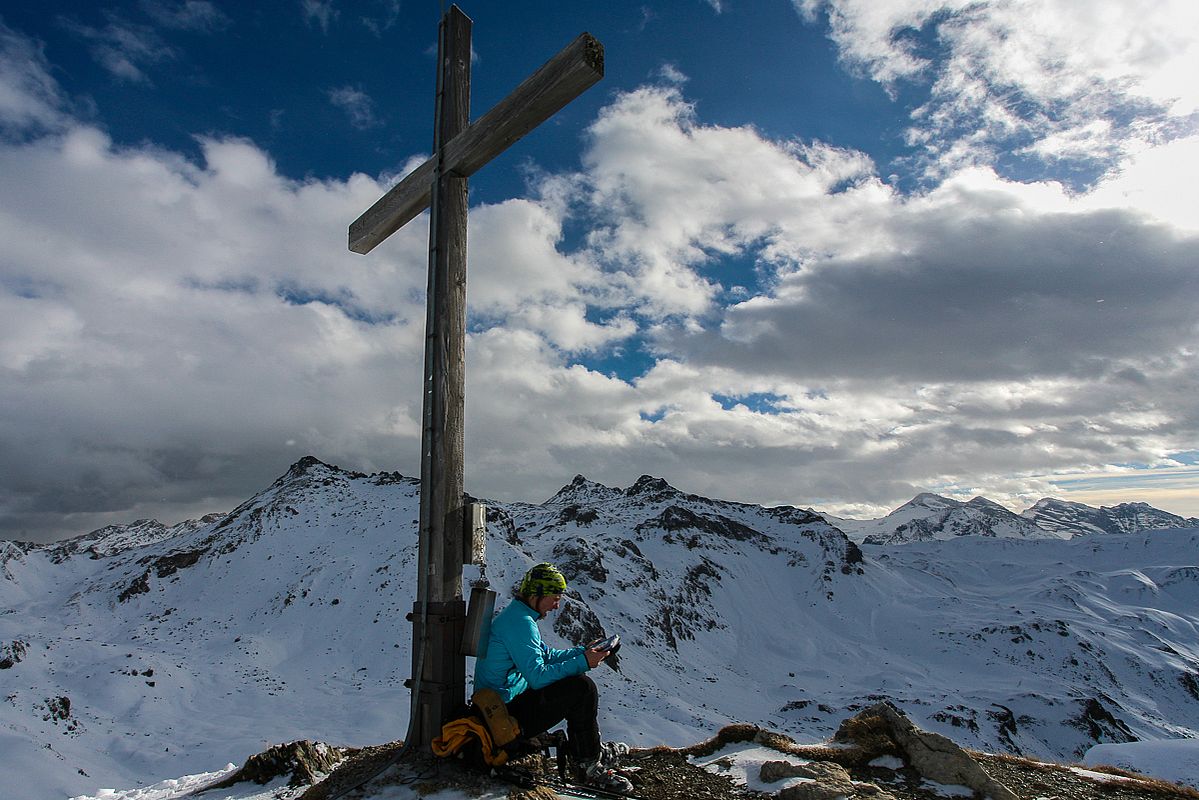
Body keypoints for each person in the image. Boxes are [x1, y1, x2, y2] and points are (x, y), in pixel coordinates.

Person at [473, 562, 632, 793]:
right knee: (581, 688)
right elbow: (538, 677)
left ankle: (590, 753)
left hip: (501, 707)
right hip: (502, 716)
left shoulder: (519, 616)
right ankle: (588, 766)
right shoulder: (520, 624)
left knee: (577, 685)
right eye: (555, 597)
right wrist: (584, 662)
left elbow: (546, 656)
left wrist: (583, 653)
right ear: (537, 594)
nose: (557, 605)